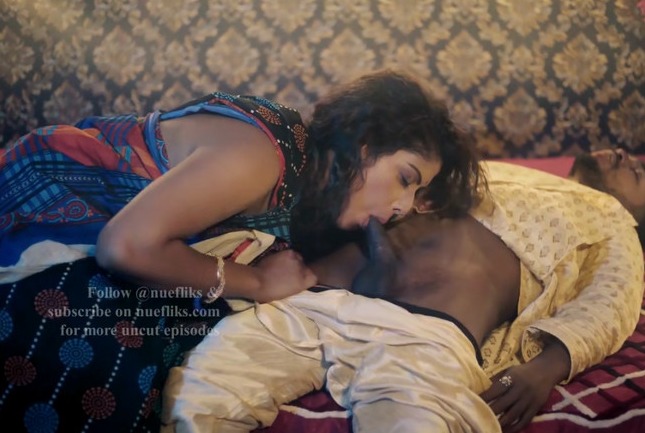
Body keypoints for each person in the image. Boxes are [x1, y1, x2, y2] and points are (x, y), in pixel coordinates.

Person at [0, 70, 481, 432]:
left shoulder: (311, 199)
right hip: (38, 204)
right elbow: (125, 246)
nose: (402, 207)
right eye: (405, 177)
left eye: (416, 196)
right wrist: (257, 281)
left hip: (107, 238)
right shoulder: (263, 154)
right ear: (363, 143)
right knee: (96, 342)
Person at [160, 160, 644, 433]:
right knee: (204, 390)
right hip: (320, 298)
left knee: (414, 422)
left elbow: (612, 302)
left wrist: (546, 368)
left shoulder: (613, 220)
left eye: (642, 171)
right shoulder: (487, 167)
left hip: (428, 332)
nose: (628, 156)